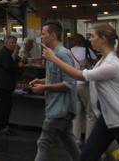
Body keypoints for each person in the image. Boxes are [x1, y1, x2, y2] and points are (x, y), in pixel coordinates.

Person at [42, 24, 119, 161]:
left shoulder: (113, 64)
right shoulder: (103, 60)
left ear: (103, 39)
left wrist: (54, 59)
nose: (90, 40)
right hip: (107, 119)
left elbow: (79, 75)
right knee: (88, 156)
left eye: (93, 36)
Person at [30, 21, 80, 161]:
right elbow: (55, 77)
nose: (41, 37)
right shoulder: (51, 54)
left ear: (53, 35)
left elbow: (69, 83)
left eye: (43, 34)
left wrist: (45, 87)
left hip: (60, 109)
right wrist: (40, 81)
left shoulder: (62, 54)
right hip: (57, 108)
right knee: (69, 144)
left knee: (44, 142)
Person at [69, 34, 97, 146]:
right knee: (90, 113)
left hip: (72, 84)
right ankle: (88, 139)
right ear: (82, 41)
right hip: (85, 83)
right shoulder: (87, 50)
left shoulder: (68, 51)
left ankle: (76, 139)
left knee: (76, 114)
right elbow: (97, 61)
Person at [0, 35, 25, 136]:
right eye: (12, 42)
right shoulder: (4, 53)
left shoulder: (11, 53)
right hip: (3, 83)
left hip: (7, 83)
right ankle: (1, 127)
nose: (14, 44)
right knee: (6, 105)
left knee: (6, 104)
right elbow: (7, 66)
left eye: (15, 42)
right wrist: (17, 65)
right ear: (6, 43)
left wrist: (23, 60)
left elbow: (15, 60)